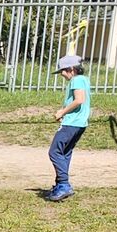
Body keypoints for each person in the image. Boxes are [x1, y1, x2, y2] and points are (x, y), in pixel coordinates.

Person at [44, 53, 88, 202]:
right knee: (64, 152)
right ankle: (60, 184)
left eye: (63, 71)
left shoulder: (77, 80)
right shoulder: (83, 80)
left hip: (72, 123)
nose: (62, 74)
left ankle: (63, 184)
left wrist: (62, 111)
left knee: (54, 152)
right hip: (78, 123)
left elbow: (79, 100)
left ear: (71, 69)